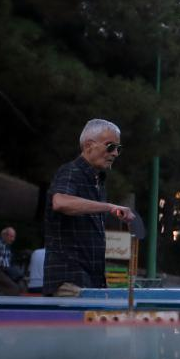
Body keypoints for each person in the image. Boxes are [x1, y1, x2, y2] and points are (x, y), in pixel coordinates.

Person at [44, 119, 135, 297]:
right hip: (69, 282)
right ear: (88, 145)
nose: (115, 153)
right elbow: (60, 202)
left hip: (90, 283)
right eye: (110, 147)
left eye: (118, 148)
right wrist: (109, 207)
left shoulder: (98, 182)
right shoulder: (71, 171)